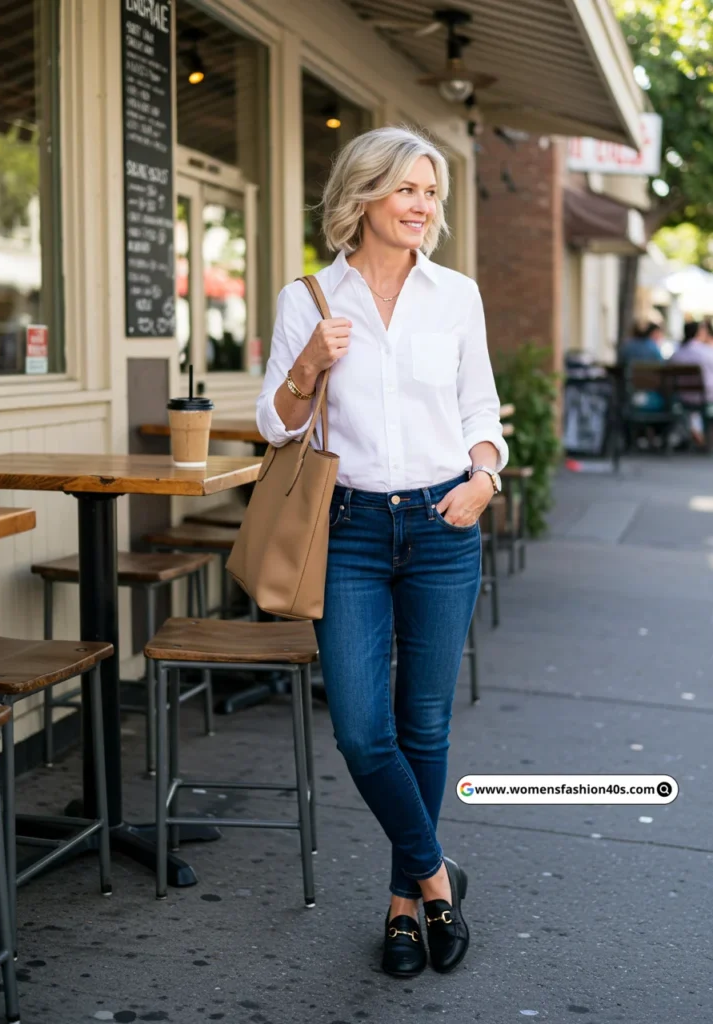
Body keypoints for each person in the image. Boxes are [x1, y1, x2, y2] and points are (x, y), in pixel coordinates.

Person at [256, 126, 507, 978]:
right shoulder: (312, 298)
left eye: (431, 193)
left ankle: (404, 907)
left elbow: (481, 409)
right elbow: (273, 424)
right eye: (407, 189)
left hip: (444, 525)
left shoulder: (456, 295)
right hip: (352, 528)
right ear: (363, 195)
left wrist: (484, 476)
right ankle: (439, 876)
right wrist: (305, 367)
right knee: (363, 732)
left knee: (423, 725)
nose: (422, 206)